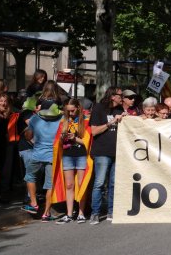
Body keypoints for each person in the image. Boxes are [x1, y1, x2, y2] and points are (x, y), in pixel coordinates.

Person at [51, 99, 93, 224]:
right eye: (68, 111)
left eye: (72, 110)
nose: (70, 113)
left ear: (78, 108)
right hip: (67, 155)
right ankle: (69, 214)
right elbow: (57, 141)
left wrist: (74, 138)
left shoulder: (86, 120)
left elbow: (87, 142)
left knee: (81, 184)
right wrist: (63, 138)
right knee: (69, 185)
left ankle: (81, 213)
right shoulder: (64, 121)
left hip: (82, 155)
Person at [89, 87, 125, 225]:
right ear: (112, 96)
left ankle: (111, 211)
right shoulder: (99, 108)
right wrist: (111, 122)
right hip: (102, 152)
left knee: (114, 184)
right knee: (99, 183)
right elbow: (94, 131)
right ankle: (95, 213)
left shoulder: (120, 110)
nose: (122, 97)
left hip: (118, 152)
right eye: (120, 95)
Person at [23, 100, 62, 221]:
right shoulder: (61, 119)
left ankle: (34, 204)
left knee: (30, 177)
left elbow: (28, 136)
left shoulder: (35, 119)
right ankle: (46, 213)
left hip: (36, 154)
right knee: (50, 185)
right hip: (52, 157)